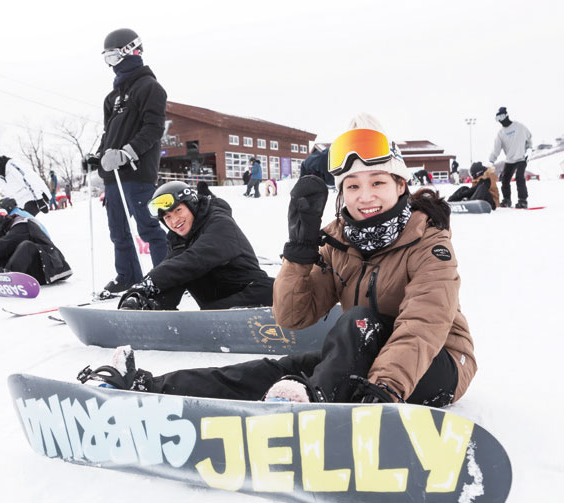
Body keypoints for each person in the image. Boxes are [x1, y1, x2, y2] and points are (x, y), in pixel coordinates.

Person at [77, 117, 476, 409]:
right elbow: (292, 316)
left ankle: (311, 403)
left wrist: (383, 391)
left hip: (435, 363)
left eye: (377, 183)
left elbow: (423, 326)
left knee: (357, 320)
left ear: (400, 186)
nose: (364, 196)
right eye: (352, 186)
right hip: (361, 357)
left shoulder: (430, 245)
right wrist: (299, 255)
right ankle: (148, 388)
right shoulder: (339, 242)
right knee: (275, 369)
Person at [83, 27, 168, 295]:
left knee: (149, 228)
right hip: (113, 176)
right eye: (106, 59)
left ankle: (167, 276)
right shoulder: (112, 97)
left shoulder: (150, 88)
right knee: (118, 231)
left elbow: (154, 129)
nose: (111, 65)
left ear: (131, 51)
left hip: (136, 171)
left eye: (114, 57)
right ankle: (128, 276)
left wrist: (127, 152)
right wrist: (97, 156)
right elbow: (109, 134)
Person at [116, 181, 274, 310]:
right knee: (173, 271)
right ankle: (151, 308)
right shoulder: (178, 240)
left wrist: (149, 282)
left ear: (191, 205)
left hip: (254, 292)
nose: (174, 221)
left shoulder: (220, 222)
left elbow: (195, 259)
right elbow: (172, 270)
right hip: (216, 307)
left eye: (178, 210)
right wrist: (142, 295)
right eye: (168, 217)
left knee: (182, 265)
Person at [0, 150, 50, 216]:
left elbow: (30, 181)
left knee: (23, 221)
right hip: (21, 202)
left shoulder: (13, 166)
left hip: (36, 197)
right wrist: (1, 203)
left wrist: (40, 200)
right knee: (10, 222)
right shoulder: (2, 175)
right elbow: (9, 193)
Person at [489, 106, 532, 208]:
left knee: (519, 177)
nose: (501, 120)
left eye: (502, 117)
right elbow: (496, 148)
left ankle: (522, 200)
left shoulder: (519, 127)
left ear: (507, 115)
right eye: (498, 119)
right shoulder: (501, 133)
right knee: (504, 179)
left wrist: (529, 149)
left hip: (521, 158)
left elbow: (529, 138)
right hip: (510, 160)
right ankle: (507, 200)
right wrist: (491, 160)